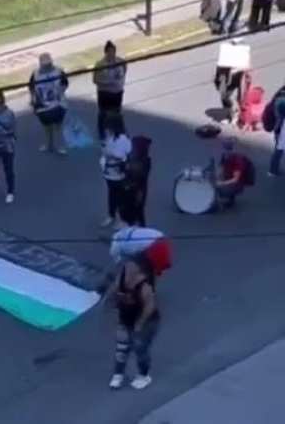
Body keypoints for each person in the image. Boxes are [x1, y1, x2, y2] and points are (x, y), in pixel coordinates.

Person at [107, 258, 160, 390]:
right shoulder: (122, 278)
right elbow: (114, 290)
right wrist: (112, 303)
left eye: (132, 269)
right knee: (121, 348)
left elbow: (150, 307)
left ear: (138, 271)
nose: (128, 271)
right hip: (125, 320)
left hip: (145, 322)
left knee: (140, 348)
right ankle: (118, 374)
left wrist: (140, 324)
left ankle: (144, 375)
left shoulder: (144, 286)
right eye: (127, 268)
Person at [29, 53, 69, 154]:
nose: (47, 66)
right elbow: (32, 88)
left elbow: (65, 83)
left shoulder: (58, 71)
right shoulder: (36, 74)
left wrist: (60, 92)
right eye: (44, 64)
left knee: (58, 126)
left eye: (48, 64)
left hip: (58, 103)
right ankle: (48, 144)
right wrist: (33, 100)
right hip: (43, 106)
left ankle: (60, 145)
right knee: (46, 127)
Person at [100, 114, 132, 228]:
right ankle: (111, 215)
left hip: (119, 172)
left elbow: (126, 153)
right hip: (109, 171)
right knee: (111, 194)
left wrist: (111, 153)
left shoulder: (123, 138)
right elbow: (105, 150)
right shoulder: (109, 136)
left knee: (120, 196)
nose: (106, 129)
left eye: (108, 126)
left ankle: (123, 220)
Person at [93, 41, 127, 140]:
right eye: (109, 52)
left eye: (113, 51)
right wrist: (107, 83)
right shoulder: (100, 64)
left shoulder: (120, 61)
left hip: (117, 93)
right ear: (106, 52)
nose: (112, 54)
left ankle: (118, 133)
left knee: (117, 112)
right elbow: (95, 80)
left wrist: (120, 81)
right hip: (104, 93)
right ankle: (102, 133)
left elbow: (125, 68)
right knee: (103, 113)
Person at [214, 39, 249, 124]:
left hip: (239, 76)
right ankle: (231, 114)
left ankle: (239, 116)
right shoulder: (227, 52)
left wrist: (235, 69)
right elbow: (220, 66)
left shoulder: (242, 51)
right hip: (227, 78)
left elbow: (245, 66)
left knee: (240, 98)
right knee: (224, 97)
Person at [122, 136, 152, 227]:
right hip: (135, 190)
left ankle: (138, 228)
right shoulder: (143, 160)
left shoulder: (142, 162)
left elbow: (139, 177)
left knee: (136, 211)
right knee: (136, 211)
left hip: (136, 190)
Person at [215, 137, 252, 208]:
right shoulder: (225, 155)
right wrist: (217, 176)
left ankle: (230, 196)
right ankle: (229, 197)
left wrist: (220, 183)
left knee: (219, 188)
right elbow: (221, 167)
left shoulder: (237, 160)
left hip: (237, 183)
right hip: (229, 176)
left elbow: (235, 179)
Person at [268, 100, 285, 177]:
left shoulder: (280, 102)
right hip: (282, 132)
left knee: (278, 151)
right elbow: (279, 119)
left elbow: (279, 119)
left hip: (281, 131)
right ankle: (272, 170)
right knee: (278, 151)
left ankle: (272, 170)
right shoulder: (282, 103)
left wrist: (275, 132)